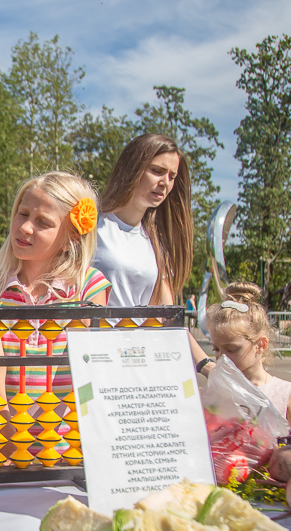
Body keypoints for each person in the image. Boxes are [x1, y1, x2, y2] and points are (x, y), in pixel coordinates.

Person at [0, 172, 111, 401]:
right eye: (22, 214)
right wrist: (3, 421)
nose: (24, 227)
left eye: (42, 222)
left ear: (71, 238)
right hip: (3, 428)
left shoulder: (88, 285)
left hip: (68, 432)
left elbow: (90, 362)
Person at [91, 133, 212, 374]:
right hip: (94, 360)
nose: (165, 182)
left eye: (172, 176)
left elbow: (167, 317)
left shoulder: (156, 242)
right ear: (132, 168)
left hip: (138, 364)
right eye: (157, 171)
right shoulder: (91, 226)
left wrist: (206, 365)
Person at [206, 282, 291, 432]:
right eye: (216, 349)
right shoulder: (218, 391)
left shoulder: (284, 393)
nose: (222, 358)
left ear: (260, 345)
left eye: (231, 349)